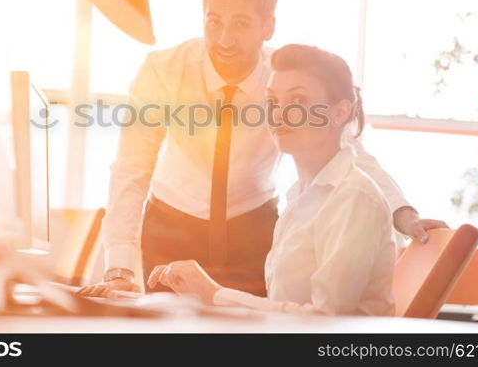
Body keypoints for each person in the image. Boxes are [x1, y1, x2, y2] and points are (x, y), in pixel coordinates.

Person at [78, 0, 446, 298]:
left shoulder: (285, 79)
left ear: (267, 26)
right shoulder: (162, 71)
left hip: (254, 232)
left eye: (240, 23)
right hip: (171, 226)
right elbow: (131, 167)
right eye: (214, 22)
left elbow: (348, 149)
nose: (224, 40)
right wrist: (120, 267)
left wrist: (401, 213)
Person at [148, 44, 396, 316]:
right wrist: (204, 296)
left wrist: (214, 294)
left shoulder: (353, 198)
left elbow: (325, 321)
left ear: (339, 112)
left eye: (298, 101)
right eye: (272, 101)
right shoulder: (300, 197)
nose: (278, 113)